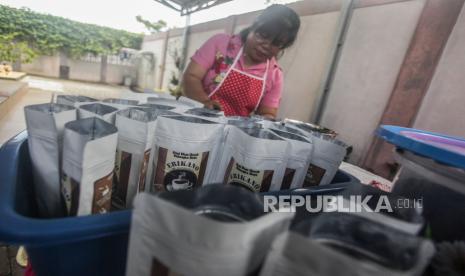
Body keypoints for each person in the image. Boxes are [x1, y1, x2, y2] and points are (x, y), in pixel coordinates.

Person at [182, 4, 300, 118]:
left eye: (276, 43)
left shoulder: (275, 75)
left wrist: (266, 119)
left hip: (234, 133)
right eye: (263, 35)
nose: (266, 46)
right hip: (196, 120)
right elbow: (191, 76)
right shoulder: (221, 44)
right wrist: (204, 102)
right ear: (253, 27)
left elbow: (267, 112)